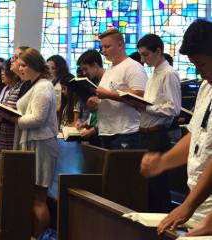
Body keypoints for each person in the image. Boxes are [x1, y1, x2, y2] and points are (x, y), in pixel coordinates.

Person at [140, 19, 212, 236]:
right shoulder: (206, 88)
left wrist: (188, 205)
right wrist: (164, 161)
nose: (199, 73)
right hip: (200, 199)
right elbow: (196, 136)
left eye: (202, 64)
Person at [0, 47, 58, 238]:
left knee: (39, 197)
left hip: (41, 144)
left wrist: (14, 119)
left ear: (34, 65)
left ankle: (43, 236)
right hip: (33, 142)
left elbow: (38, 119)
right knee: (33, 196)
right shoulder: (35, 84)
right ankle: (35, 234)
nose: (20, 68)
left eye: (24, 65)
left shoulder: (43, 86)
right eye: (20, 64)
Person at [136, 34, 182, 213]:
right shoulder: (154, 73)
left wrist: (146, 108)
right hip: (145, 133)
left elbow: (173, 108)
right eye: (141, 55)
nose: (143, 59)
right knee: (147, 188)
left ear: (159, 51)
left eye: (146, 54)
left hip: (157, 135)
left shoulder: (169, 73)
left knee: (158, 188)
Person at [90, 28, 147, 149]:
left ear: (120, 44)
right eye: (102, 47)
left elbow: (139, 97)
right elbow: (105, 95)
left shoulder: (133, 67)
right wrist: (95, 102)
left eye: (107, 46)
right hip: (106, 130)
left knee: (121, 168)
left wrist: (108, 95)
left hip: (125, 132)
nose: (103, 51)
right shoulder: (110, 69)